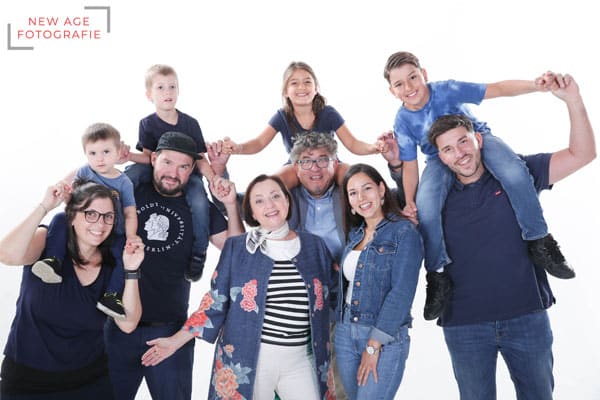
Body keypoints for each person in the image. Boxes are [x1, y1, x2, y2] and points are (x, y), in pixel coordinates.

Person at [427, 74, 595, 399]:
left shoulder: (519, 173)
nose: (459, 153)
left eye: (463, 142)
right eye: (447, 149)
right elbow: (375, 205)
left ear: (478, 138)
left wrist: (573, 100)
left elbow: (582, 154)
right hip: (464, 324)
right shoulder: (431, 199)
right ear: (440, 157)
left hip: (526, 317)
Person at [383, 50, 574, 321]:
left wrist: (536, 85)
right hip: (439, 157)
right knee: (427, 208)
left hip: (476, 139)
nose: (409, 87)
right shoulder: (402, 121)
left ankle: (539, 241)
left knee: (514, 172)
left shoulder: (446, 90)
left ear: (423, 74)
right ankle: (438, 275)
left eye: (413, 77)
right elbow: (410, 165)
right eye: (399, 84)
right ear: (392, 91)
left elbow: (497, 89)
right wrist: (411, 201)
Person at [140, 174, 337, 400]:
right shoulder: (239, 248)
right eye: (259, 200)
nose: (270, 205)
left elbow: (333, 292)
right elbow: (215, 301)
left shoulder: (314, 245)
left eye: (275, 196)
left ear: (287, 200)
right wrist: (175, 341)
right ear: (252, 212)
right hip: (248, 359)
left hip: (302, 359)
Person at [104, 131, 244, 400]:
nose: (173, 173)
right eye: (167, 162)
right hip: (115, 326)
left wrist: (230, 206)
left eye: (183, 167)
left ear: (192, 170)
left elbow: (237, 252)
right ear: (153, 159)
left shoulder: (198, 208)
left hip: (169, 332)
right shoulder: (129, 192)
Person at [0, 181, 144, 399]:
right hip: (27, 383)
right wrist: (44, 207)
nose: (100, 224)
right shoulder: (47, 244)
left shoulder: (113, 264)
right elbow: (7, 255)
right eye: (91, 214)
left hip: (89, 383)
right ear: (71, 216)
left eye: (108, 216)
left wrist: (131, 269)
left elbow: (128, 324)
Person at [120, 64, 218, 282]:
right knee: (130, 176)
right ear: (149, 95)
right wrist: (128, 157)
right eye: (161, 87)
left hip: (187, 175)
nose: (168, 92)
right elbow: (148, 158)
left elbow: (200, 158)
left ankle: (199, 252)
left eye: (172, 87)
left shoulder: (190, 123)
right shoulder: (147, 124)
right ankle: (115, 222)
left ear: (179, 90)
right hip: (154, 169)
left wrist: (213, 178)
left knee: (200, 202)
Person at [30, 122, 138, 319]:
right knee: (60, 219)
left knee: (123, 256)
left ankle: (112, 296)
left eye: (106, 152)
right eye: (93, 153)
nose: (100, 158)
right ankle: (53, 261)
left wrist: (131, 236)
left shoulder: (124, 182)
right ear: (86, 154)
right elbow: (68, 192)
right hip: (86, 227)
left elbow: (130, 213)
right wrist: (63, 193)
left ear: (118, 152)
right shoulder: (84, 172)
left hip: (113, 231)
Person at [333, 163, 422, 400]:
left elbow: (401, 292)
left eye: (367, 188)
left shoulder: (404, 232)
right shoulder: (354, 236)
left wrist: (374, 344)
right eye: (353, 193)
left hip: (384, 337)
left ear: (381, 189)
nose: (361, 198)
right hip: (345, 333)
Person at [219, 61, 383, 188]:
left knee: (355, 177)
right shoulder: (282, 116)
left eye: (307, 82)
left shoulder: (328, 113)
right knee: (271, 185)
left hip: (328, 164)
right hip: (297, 167)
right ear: (286, 92)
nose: (302, 87)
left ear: (316, 88)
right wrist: (238, 148)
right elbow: (259, 142)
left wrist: (373, 148)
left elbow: (352, 143)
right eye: (294, 83)